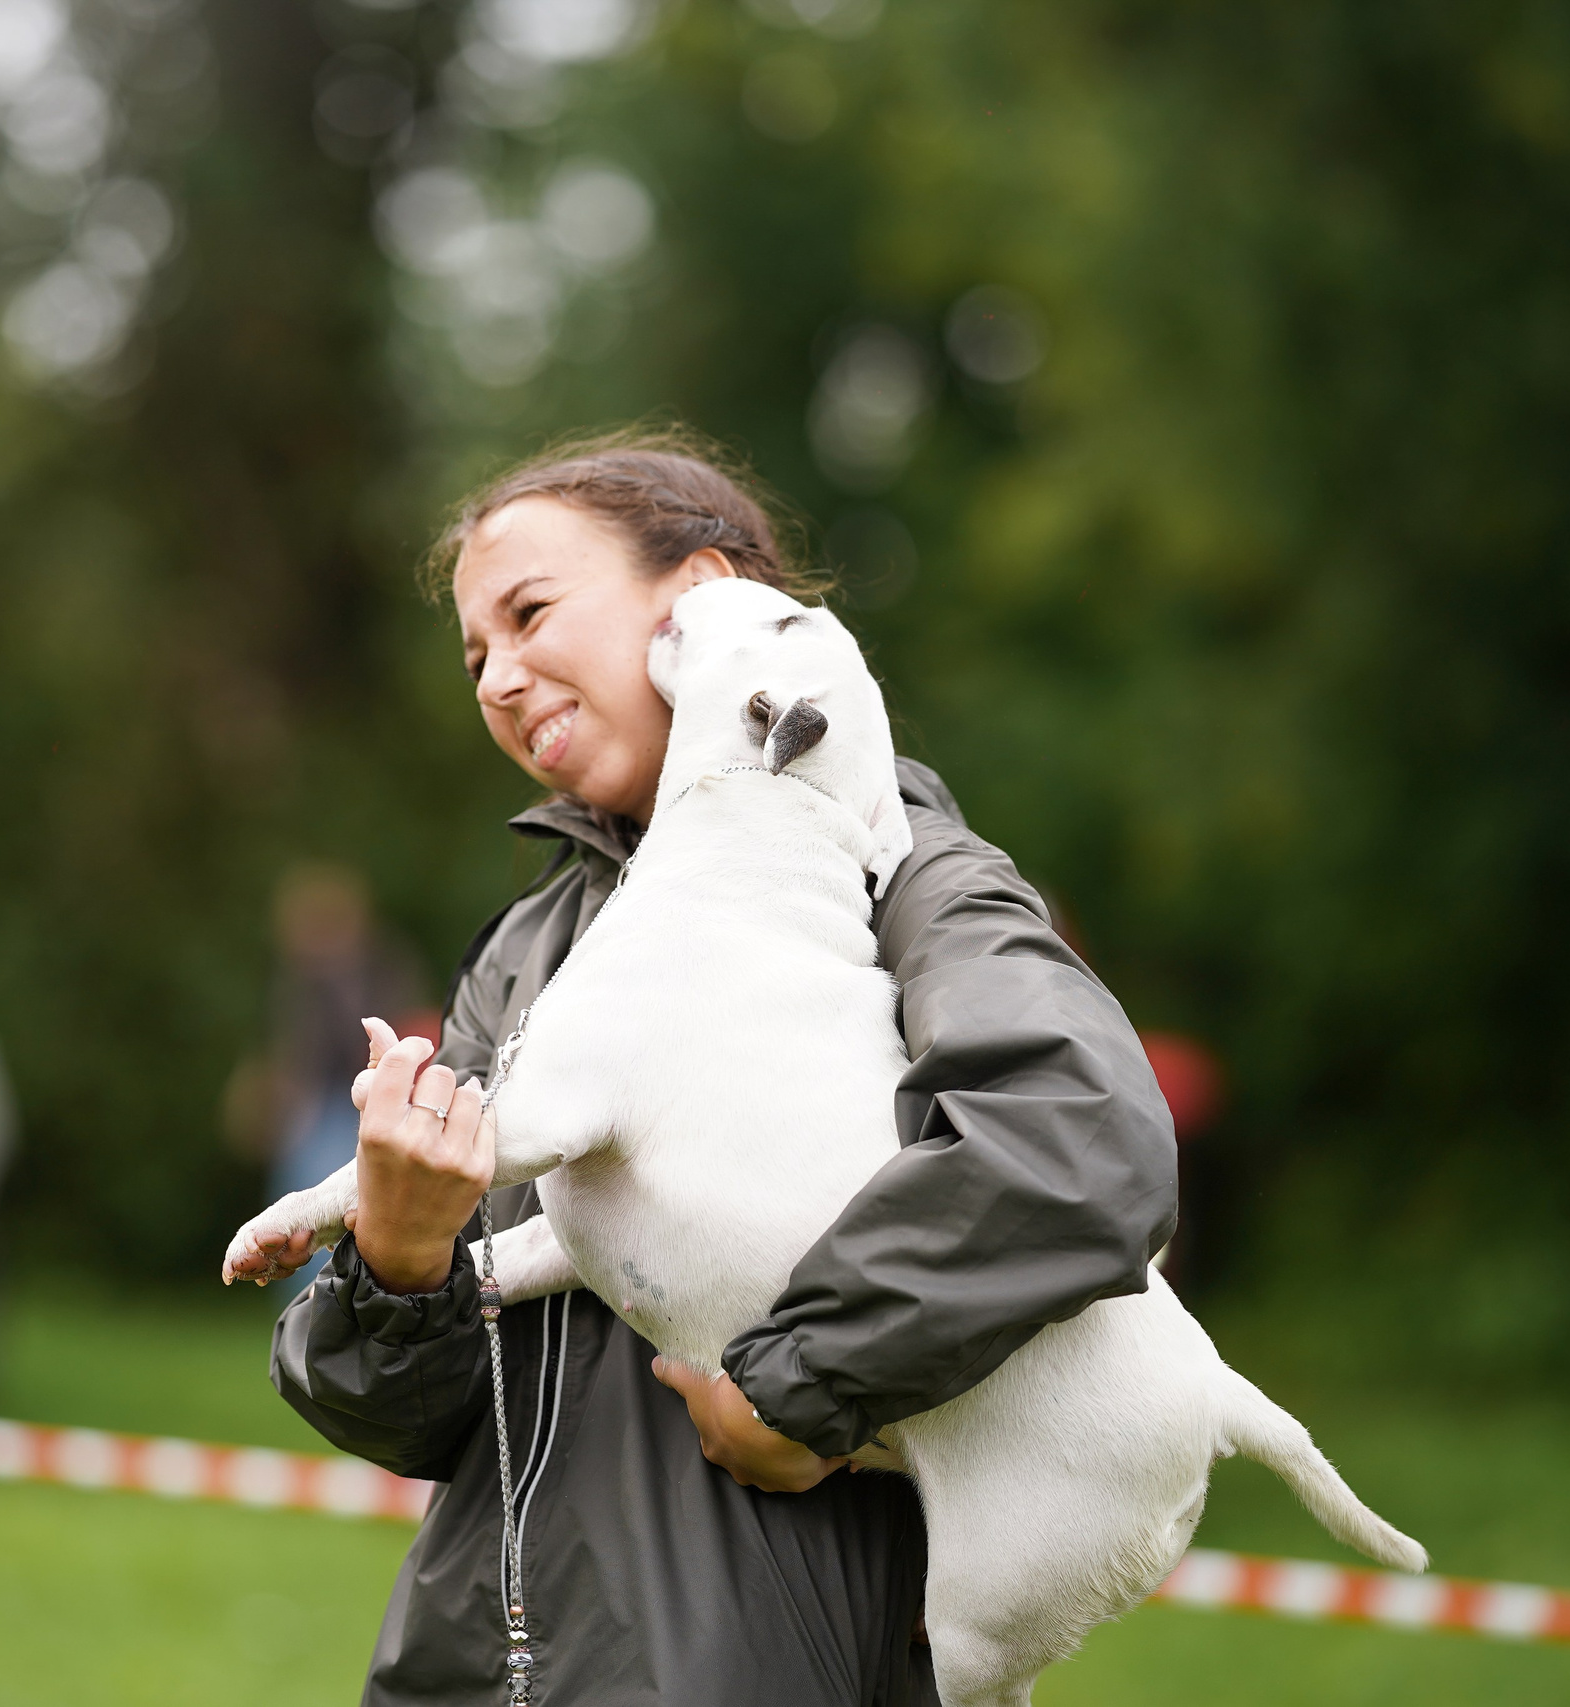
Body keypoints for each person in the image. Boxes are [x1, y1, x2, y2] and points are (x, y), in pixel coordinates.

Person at [265, 430, 1177, 1705]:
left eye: (529, 614)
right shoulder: (529, 948)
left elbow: (1083, 1145)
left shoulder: (905, 874)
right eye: (474, 657)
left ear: (698, 597)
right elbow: (414, 1418)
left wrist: (799, 1388)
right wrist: (401, 1261)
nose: (498, 678)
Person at [226, 863, 426, 1298]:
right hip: (315, 1108)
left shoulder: (380, 970)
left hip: (361, 1102)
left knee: (329, 1201)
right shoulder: (300, 982)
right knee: (294, 1202)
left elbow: (396, 1031)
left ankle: (329, 1299)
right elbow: (296, 1051)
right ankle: (304, 1306)